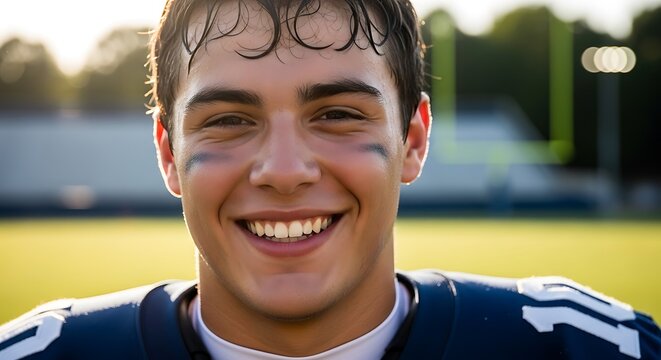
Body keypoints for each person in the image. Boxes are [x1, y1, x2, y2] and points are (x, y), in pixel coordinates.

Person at [0, 0, 659, 359]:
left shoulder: (583, 350)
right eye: (228, 119)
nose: (284, 171)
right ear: (169, 154)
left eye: (338, 114)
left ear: (413, 139)